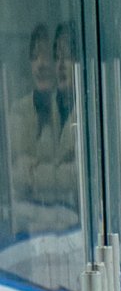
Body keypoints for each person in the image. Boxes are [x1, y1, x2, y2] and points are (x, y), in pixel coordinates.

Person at [7, 21, 77, 212]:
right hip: (42, 216)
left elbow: (78, 176)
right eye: (57, 57)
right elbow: (15, 175)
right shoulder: (40, 109)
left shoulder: (89, 110)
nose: (60, 65)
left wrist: (35, 173)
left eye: (67, 56)